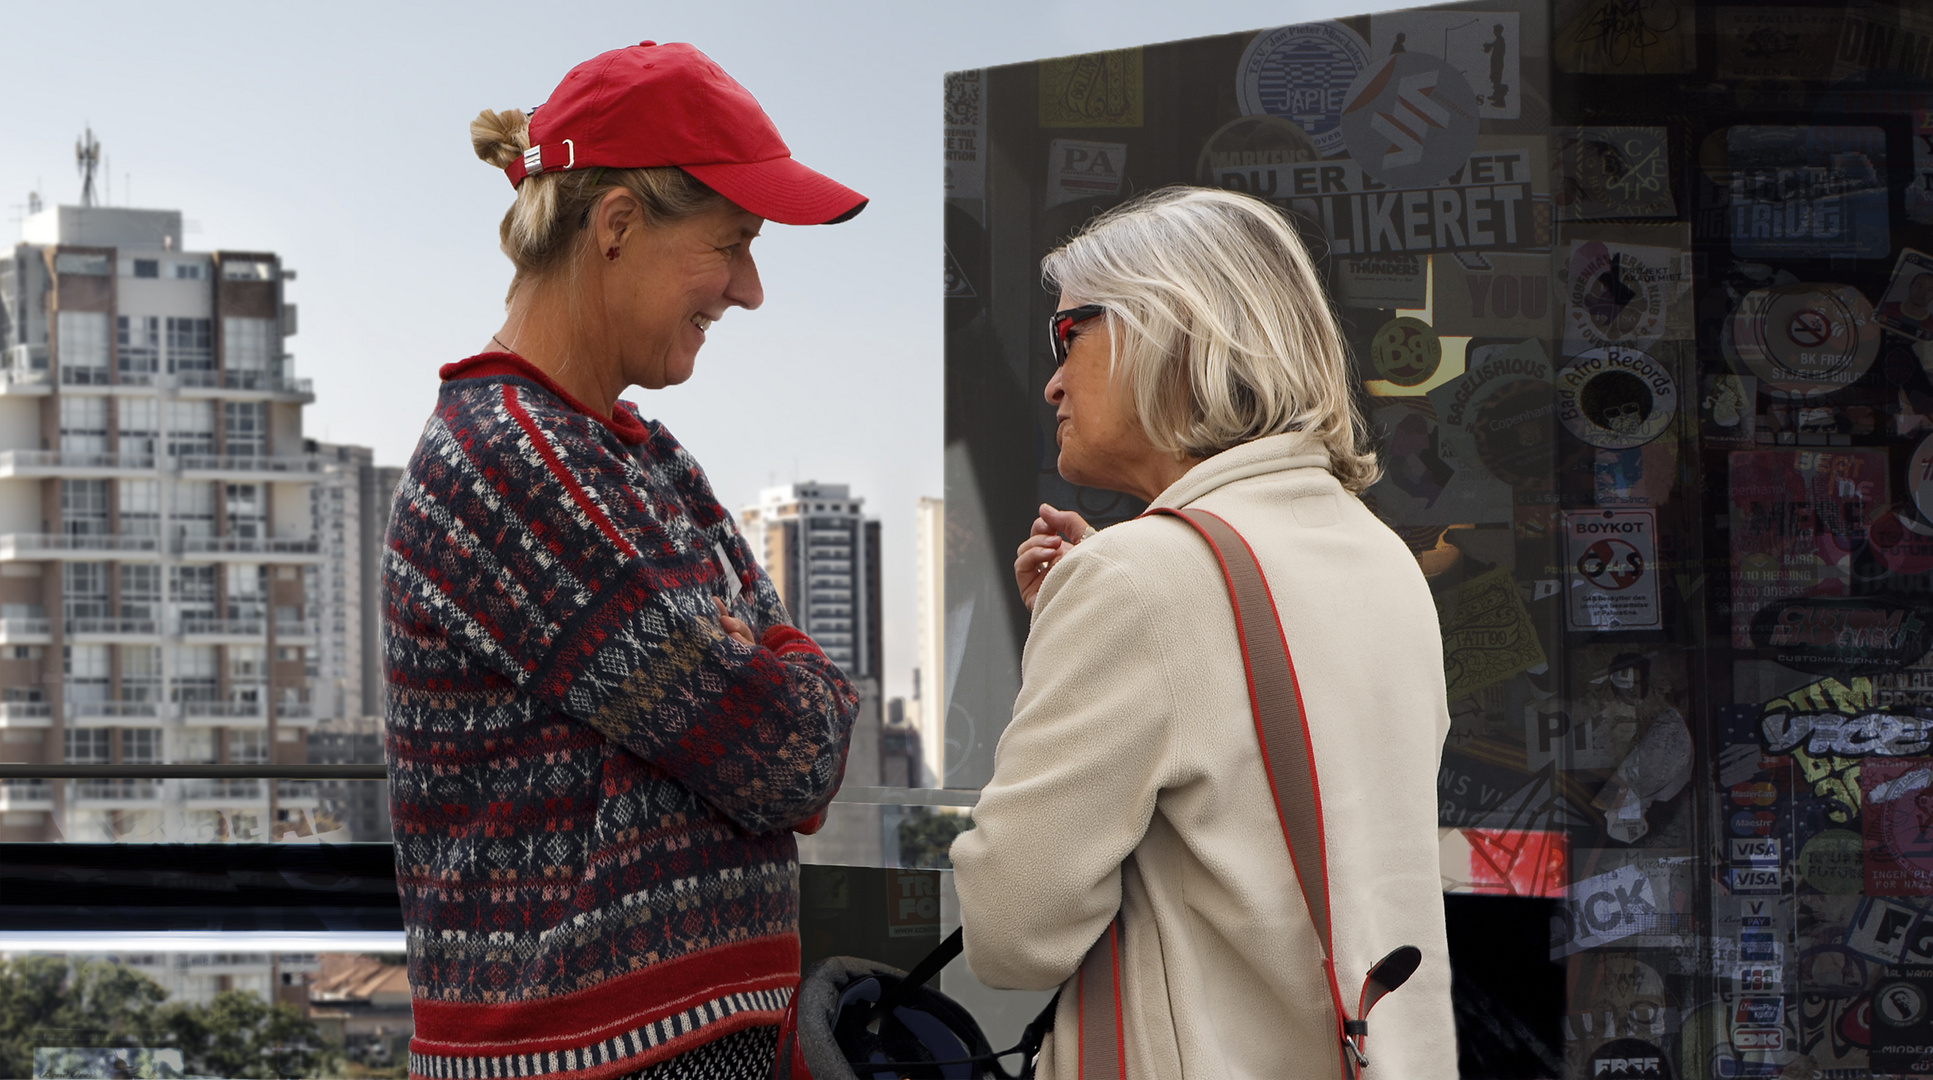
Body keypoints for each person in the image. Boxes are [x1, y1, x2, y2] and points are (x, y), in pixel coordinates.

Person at [381, 42, 865, 1080]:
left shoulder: (629, 449)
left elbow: (774, 713)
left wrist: (761, 660)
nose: (749, 289)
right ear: (615, 225)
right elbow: (791, 752)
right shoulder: (514, 459)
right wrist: (776, 663)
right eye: (731, 244)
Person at [950, 187, 1456, 1078]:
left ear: (1169, 329)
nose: (1051, 379)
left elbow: (1011, 931)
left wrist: (1097, 611)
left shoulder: (1142, 584)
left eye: (1071, 334)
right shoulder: (1377, 557)